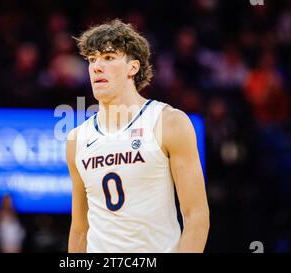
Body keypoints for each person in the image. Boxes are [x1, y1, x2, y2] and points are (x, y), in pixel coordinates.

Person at [66, 19, 209, 253]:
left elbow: (196, 215)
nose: (96, 67)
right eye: (92, 59)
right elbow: (80, 230)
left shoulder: (168, 122)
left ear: (133, 67)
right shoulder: (76, 139)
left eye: (109, 57)